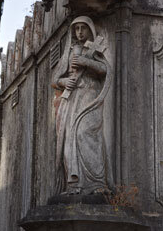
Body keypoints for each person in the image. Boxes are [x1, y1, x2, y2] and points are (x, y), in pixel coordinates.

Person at [51, 16, 113, 196]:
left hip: (90, 98)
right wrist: (64, 81)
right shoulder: (70, 52)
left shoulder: (94, 50)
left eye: (83, 28)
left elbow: (105, 70)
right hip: (72, 99)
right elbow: (55, 79)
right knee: (70, 138)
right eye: (76, 28)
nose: (79, 32)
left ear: (90, 30)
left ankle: (96, 183)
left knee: (85, 133)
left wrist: (87, 62)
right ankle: (75, 184)